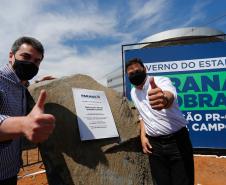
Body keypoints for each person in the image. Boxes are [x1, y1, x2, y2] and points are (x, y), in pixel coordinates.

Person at [126, 58, 194, 185]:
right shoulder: (133, 92)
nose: (134, 74)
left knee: (183, 181)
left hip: (177, 141)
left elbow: (169, 96)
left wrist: (163, 100)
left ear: (144, 70)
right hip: (154, 146)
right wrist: (143, 136)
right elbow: (142, 116)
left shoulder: (161, 81)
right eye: (131, 73)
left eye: (137, 71)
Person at [0, 36, 55, 185]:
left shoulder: (22, 86)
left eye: (37, 61)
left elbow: (21, 85)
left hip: (11, 171)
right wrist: (23, 125)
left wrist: (37, 84)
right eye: (26, 56)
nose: (31, 63)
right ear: (11, 56)